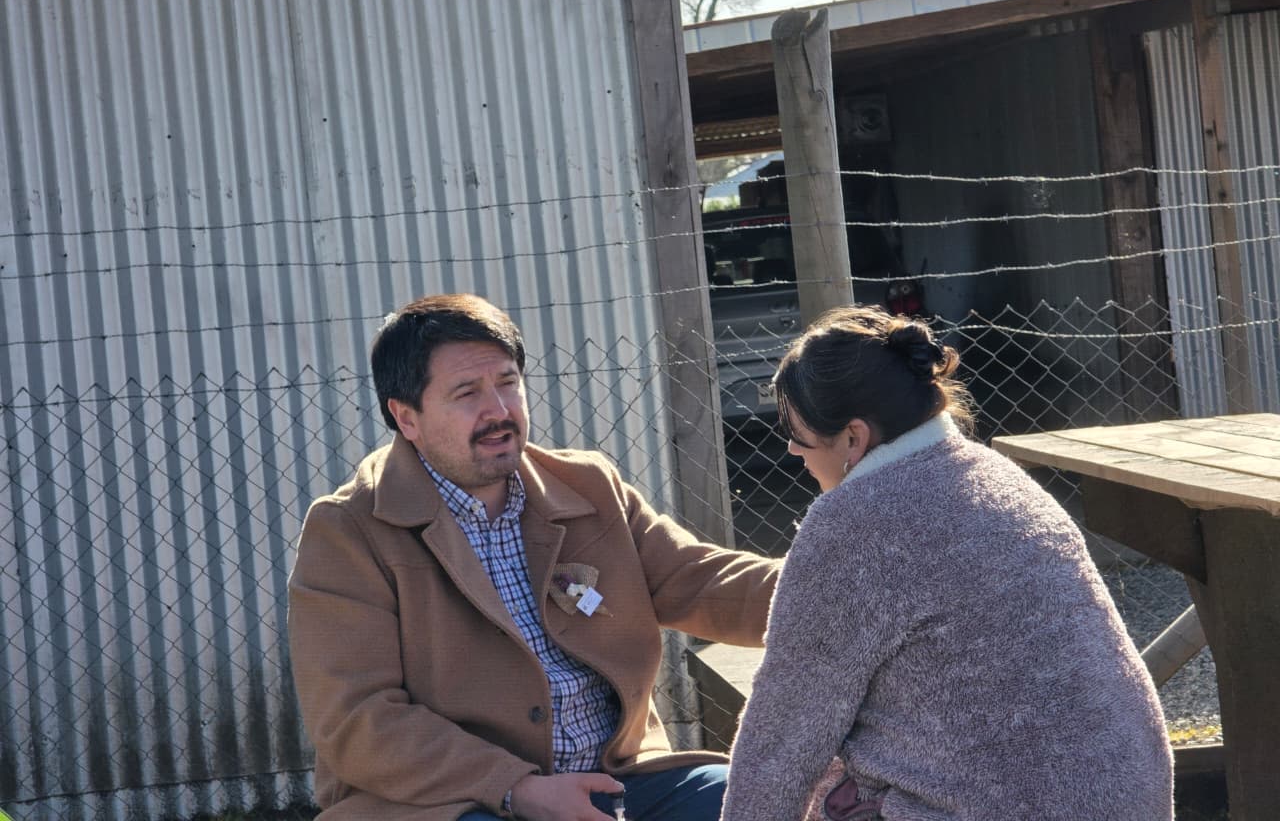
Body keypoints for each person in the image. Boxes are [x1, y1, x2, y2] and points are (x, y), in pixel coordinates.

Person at [288, 293, 779, 821]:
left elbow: (702, 580)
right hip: (455, 802)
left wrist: (841, 578)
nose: (499, 411)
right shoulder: (348, 529)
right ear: (407, 418)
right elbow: (357, 720)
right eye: (467, 393)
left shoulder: (588, 486)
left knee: (757, 801)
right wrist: (514, 787)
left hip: (615, 782)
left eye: (507, 383)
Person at [721, 306, 1173, 821]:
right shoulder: (1002, 479)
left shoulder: (851, 523)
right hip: (1128, 797)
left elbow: (781, 736)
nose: (792, 451)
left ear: (853, 437)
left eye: (799, 437)